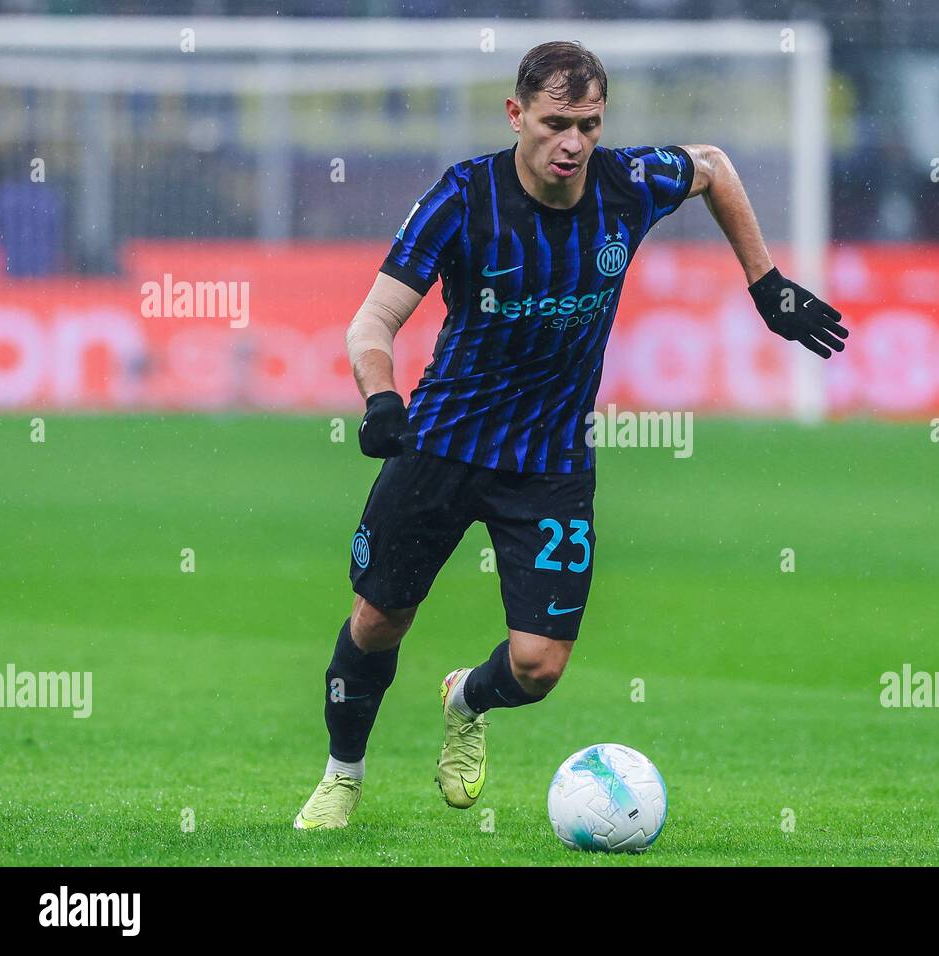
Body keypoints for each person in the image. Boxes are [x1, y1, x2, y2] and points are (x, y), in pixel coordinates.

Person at [295, 40, 846, 829]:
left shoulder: (627, 185)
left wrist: (765, 284)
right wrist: (382, 397)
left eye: (589, 124)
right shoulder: (462, 199)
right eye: (556, 123)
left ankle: (465, 698)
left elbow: (714, 164)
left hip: (550, 461)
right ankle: (342, 777)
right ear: (516, 114)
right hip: (443, 444)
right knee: (378, 619)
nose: (573, 143)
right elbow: (373, 320)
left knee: (539, 665)